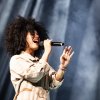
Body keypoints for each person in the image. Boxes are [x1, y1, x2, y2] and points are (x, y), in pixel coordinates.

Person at [5, 16, 74, 100]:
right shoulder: (16, 59)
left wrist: (62, 67)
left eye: (38, 34)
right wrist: (47, 51)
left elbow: (54, 82)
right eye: (32, 34)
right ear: (22, 37)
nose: (37, 36)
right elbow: (35, 75)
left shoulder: (40, 62)